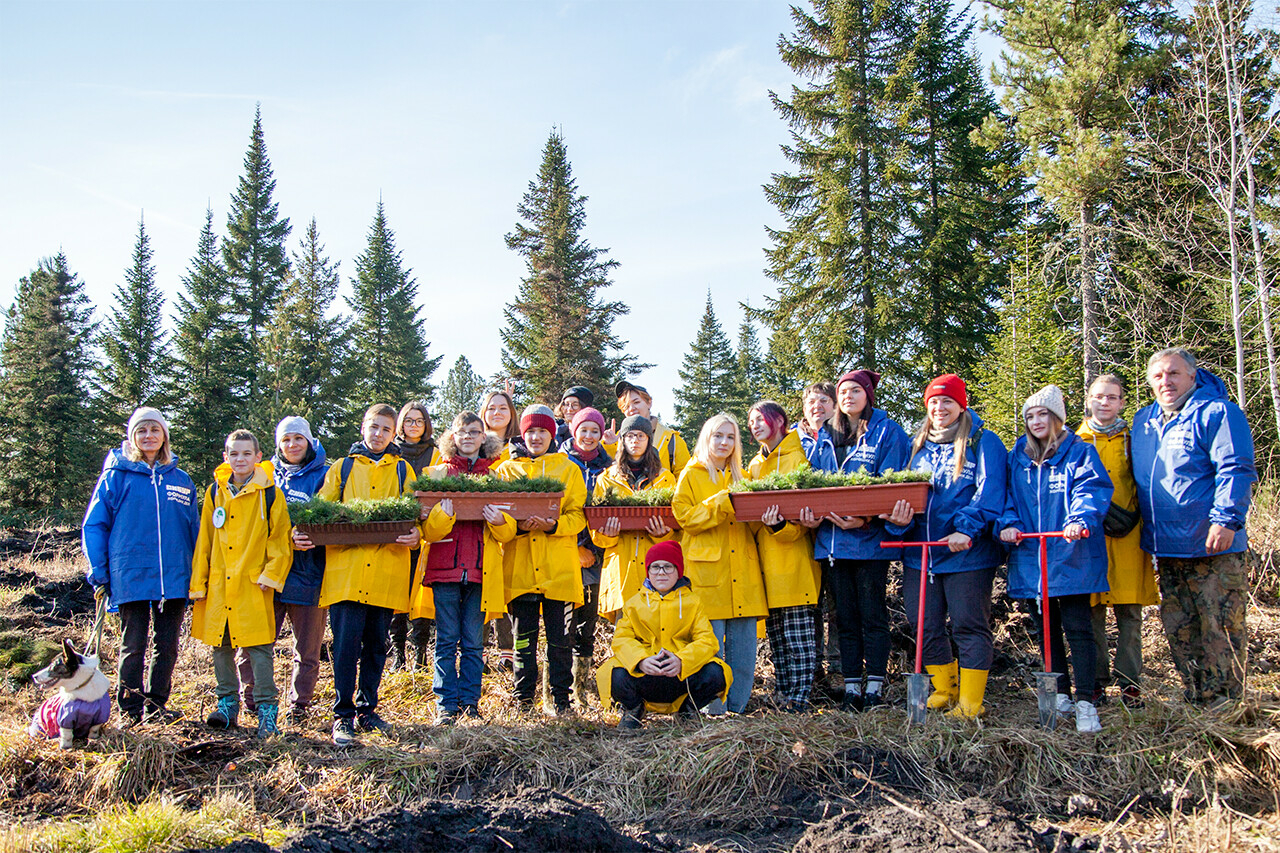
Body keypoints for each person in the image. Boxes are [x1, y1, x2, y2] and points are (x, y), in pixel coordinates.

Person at [1132, 348, 1256, 706]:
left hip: (1213, 544)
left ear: (1192, 376)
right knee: (1180, 628)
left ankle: (1226, 703)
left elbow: (1235, 468)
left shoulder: (1218, 413)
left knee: (1220, 626)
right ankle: (1195, 694)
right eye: (1157, 376)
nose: (1165, 382)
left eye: (1173, 374)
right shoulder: (1144, 421)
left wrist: (1226, 519)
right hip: (1166, 545)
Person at [293, 403, 422, 747]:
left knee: (377, 646)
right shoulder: (342, 468)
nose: (378, 434)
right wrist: (304, 531)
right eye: (373, 427)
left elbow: (415, 516)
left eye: (385, 429)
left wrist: (416, 536)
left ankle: (368, 709)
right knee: (347, 646)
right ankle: (342, 715)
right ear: (362, 428)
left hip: (386, 572)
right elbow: (321, 509)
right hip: (346, 575)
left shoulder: (403, 471)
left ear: (393, 433)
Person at [888, 374, 1008, 718]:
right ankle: (944, 688)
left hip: (966, 553)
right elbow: (904, 493)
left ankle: (971, 701)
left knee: (969, 623)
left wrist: (966, 530)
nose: (940, 408)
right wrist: (900, 522)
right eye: (934, 402)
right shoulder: (917, 446)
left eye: (947, 402)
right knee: (923, 622)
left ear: (961, 405)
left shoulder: (982, 442)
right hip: (921, 553)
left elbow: (990, 493)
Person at [998, 386, 1113, 733]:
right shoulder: (1017, 456)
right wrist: (1009, 524)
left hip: (1069, 553)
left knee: (1078, 627)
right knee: (1046, 629)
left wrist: (1080, 520)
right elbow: (1006, 499)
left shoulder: (1079, 452)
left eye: (1042, 414)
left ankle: (1085, 699)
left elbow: (1089, 490)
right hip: (1032, 555)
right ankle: (1059, 693)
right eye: (1030, 416)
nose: (1036, 421)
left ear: (1057, 418)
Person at [800, 369, 910, 710]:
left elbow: (894, 482)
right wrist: (812, 514)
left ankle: (874, 686)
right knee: (844, 618)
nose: (848, 396)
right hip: (832, 543)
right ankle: (851, 687)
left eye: (855, 391)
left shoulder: (887, 432)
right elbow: (813, 481)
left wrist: (864, 517)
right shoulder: (826, 435)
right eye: (843, 391)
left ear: (868, 396)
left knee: (873, 615)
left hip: (870, 542)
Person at [82, 407, 199, 727]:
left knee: (168, 646)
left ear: (164, 435)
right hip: (130, 575)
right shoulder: (116, 477)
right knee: (133, 644)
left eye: (154, 430)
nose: (148, 436)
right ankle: (130, 708)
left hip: (174, 578)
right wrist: (100, 573)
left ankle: (156, 705)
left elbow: (195, 531)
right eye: (142, 430)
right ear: (132, 437)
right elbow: (94, 526)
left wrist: (198, 574)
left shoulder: (181, 480)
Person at [189, 430, 293, 738]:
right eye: (234, 454)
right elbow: (204, 540)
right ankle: (227, 706)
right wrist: (200, 582)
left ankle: (267, 711)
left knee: (259, 649)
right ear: (226, 457)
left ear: (258, 457)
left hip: (253, 585)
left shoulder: (270, 493)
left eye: (247, 453)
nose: (240, 459)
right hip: (220, 585)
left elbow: (281, 541)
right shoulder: (214, 492)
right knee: (220, 646)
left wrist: (270, 575)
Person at [419, 412, 516, 723]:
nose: (468, 437)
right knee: (446, 638)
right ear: (453, 437)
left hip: (480, 568)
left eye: (475, 432)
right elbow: (425, 531)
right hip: (444, 567)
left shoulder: (498, 477)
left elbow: (509, 530)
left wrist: (499, 522)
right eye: (462, 432)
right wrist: (441, 517)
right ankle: (446, 705)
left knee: (474, 641)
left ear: (484, 438)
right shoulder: (435, 475)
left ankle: (471, 704)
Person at [235, 417, 330, 726]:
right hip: (268, 575)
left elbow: (335, 519)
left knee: (307, 649)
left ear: (309, 441)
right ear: (278, 444)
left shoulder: (325, 476)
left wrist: (315, 538)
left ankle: (300, 705)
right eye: (286, 439)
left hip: (310, 574)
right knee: (255, 642)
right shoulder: (263, 476)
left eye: (298, 439)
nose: (292, 445)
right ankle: (252, 700)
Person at [494, 404, 588, 715]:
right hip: (520, 570)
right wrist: (517, 526)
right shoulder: (506, 471)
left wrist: (554, 525)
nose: (536, 437)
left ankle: (561, 702)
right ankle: (523, 702)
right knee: (524, 640)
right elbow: (498, 520)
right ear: (523, 434)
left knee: (561, 642)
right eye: (531, 431)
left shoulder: (568, 469)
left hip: (558, 571)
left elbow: (578, 516)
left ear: (552, 434)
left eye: (543, 431)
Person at [672, 412, 766, 715]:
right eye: (718, 436)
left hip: (744, 573)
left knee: (744, 651)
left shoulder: (744, 476)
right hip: (707, 574)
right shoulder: (692, 473)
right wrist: (721, 503)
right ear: (707, 438)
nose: (724, 442)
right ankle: (712, 710)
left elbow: (752, 525)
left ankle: (736, 710)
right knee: (711, 648)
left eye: (730, 437)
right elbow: (684, 517)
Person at [1077, 375, 1157, 707]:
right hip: (1089, 536)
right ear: (1088, 400)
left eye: (1112, 397)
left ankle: (1130, 683)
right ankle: (1095, 682)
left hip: (1130, 534)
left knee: (1129, 612)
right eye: (1099, 396)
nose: (1105, 402)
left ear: (1122, 402)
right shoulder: (1075, 440)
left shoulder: (1134, 438)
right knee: (1091, 610)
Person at [596, 541, 731, 730]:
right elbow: (621, 639)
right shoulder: (633, 604)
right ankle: (634, 709)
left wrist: (682, 661)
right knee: (613, 674)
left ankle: (688, 711)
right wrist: (641, 660)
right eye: (655, 567)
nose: (661, 572)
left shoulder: (693, 602)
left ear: (679, 571)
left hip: (681, 675)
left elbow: (707, 640)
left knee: (717, 673)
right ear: (648, 571)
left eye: (668, 567)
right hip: (646, 672)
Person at [745, 400, 821, 712]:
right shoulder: (752, 465)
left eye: (760, 418)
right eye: (750, 421)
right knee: (777, 636)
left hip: (794, 561)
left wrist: (779, 526)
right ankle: (785, 693)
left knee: (798, 636)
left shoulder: (798, 456)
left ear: (778, 420)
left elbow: (803, 520)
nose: (754, 424)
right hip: (764, 563)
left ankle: (800, 698)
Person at [592, 414, 677, 622]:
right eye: (629, 436)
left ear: (649, 440)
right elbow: (596, 531)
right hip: (621, 569)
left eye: (640, 435)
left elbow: (676, 527)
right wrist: (609, 536)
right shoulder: (606, 478)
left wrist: (661, 535)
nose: (635, 441)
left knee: (659, 635)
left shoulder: (665, 478)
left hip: (657, 568)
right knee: (624, 639)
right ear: (622, 440)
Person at [560, 406, 613, 707]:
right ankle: (558, 691)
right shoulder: (561, 462)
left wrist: (593, 550)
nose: (589, 436)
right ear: (574, 431)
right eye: (584, 430)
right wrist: (578, 547)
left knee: (587, 625)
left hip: (599, 554)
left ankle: (581, 691)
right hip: (567, 553)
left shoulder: (608, 466)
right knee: (563, 625)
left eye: (595, 431)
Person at [792, 380, 842, 687]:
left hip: (837, 534)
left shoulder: (843, 437)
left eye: (824, 401)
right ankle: (811, 669)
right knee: (808, 604)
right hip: (799, 539)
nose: (817, 407)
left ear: (834, 407)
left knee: (837, 605)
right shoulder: (792, 441)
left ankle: (837, 667)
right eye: (812, 401)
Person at [392, 401, 435, 672]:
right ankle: (398, 653)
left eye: (419, 421)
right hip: (397, 532)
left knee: (422, 594)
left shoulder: (435, 455)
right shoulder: (392, 453)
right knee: (397, 592)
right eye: (409, 420)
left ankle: (419, 650)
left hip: (428, 531)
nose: (414, 426)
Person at [479, 388, 518, 669]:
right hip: (481, 523)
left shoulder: (520, 445)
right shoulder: (475, 443)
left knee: (506, 588)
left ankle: (507, 650)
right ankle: (478, 649)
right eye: (491, 408)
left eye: (503, 408)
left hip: (510, 521)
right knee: (481, 586)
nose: (497, 413)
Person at [603, 381, 691, 476]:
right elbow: (608, 478)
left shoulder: (672, 440)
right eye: (626, 406)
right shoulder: (615, 440)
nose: (631, 408)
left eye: (636, 402)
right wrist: (611, 446)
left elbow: (685, 479)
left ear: (649, 403)